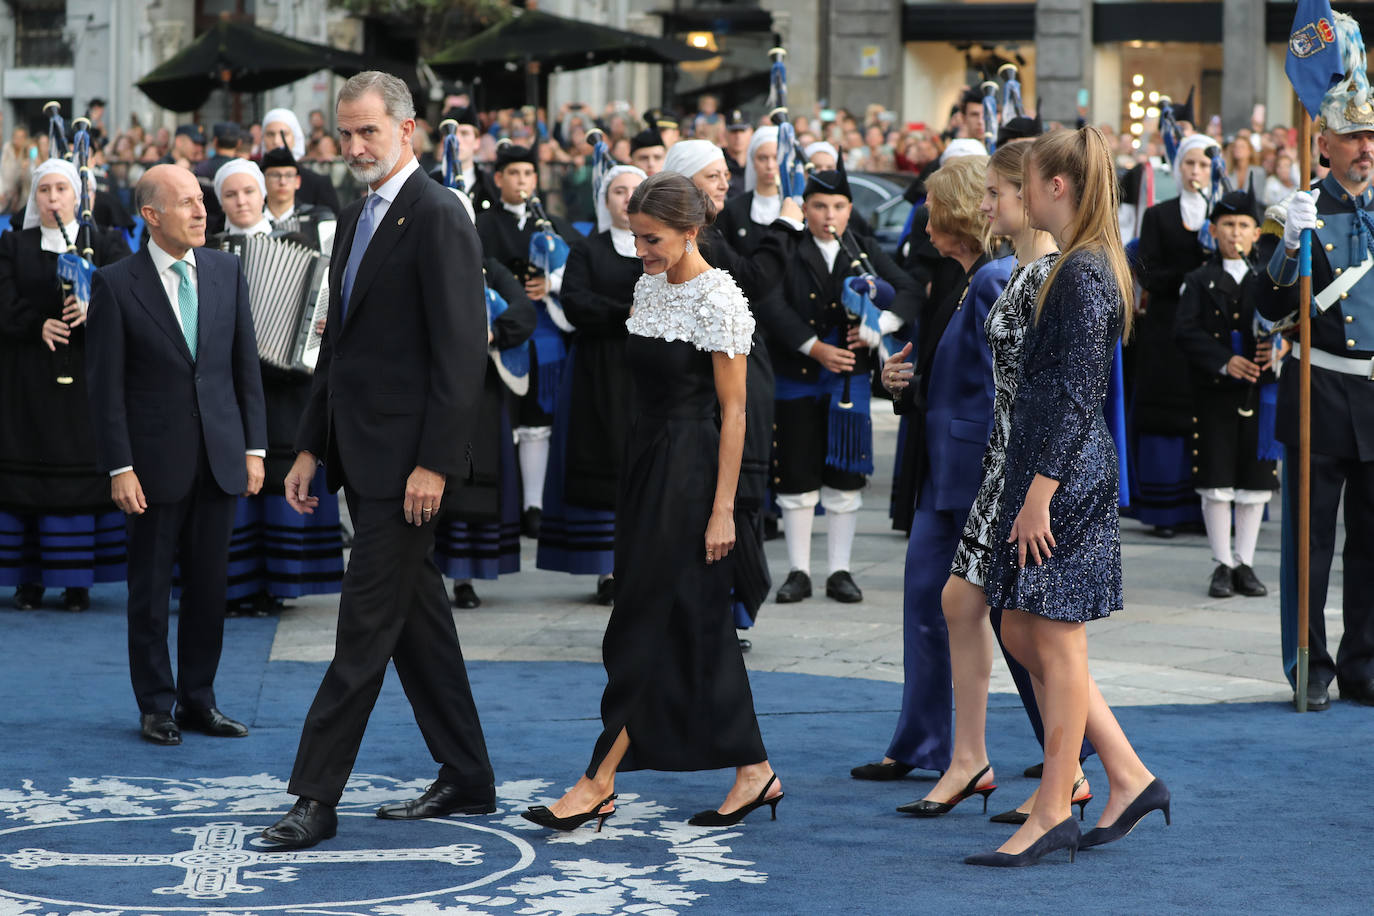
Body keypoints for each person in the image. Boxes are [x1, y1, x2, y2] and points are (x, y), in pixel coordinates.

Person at [261, 71, 494, 850]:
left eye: (369, 131)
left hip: (408, 471)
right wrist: (308, 446)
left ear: (409, 132)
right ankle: (467, 774)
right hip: (361, 456)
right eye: (347, 132)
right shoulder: (359, 214)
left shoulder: (437, 214)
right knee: (417, 623)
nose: (355, 145)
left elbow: (463, 354)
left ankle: (315, 798)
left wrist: (434, 463)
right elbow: (341, 345)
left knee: (362, 631)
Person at [523, 171, 782, 832]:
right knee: (693, 621)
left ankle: (597, 781)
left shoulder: (718, 297)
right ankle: (753, 770)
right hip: (644, 466)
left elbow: (736, 413)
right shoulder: (646, 287)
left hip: (693, 472)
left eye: (654, 238)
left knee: (641, 623)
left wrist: (724, 508)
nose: (642, 250)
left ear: (691, 231)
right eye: (637, 237)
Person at [876, 140, 1095, 823]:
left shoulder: (1019, 276)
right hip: (961, 462)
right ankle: (953, 751)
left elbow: (1050, 390)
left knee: (1023, 626)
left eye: (996, 196)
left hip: (992, 470)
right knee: (954, 606)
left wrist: (1033, 489)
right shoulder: (965, 277)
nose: (981, 208)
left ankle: (1086, 763)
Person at [968, 126, 1168, 867]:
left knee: (1051, 638)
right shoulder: (1079, 265)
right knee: (1022, 631)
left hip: (1063, 476)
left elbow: (1076, 390)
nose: (1015, 191)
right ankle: (1127, 774)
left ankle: (1056, 805)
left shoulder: (1083, 272)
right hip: (1050, 468)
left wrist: (1038, 495)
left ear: (1057, 187)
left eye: (1026, 178)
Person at [85, 164, 267, 745]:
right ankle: (156, 706)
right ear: (151, 215)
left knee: (211, 589)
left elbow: (246, 371)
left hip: (220, 458)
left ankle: (199, 701)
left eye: (202, 200)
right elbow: (104, 388)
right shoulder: (115, 284)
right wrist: (120, 467)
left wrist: (254, 450)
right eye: (186, 202)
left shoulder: (225, 270)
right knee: (150, 591)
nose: (201, 211)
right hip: (150, 467)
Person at [850, 155, 1012, 781]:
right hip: (941, 468)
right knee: (924, 602)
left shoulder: (997, 278)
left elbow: (1008, 388)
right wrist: (900, 383)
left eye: (930, 216)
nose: (920, 229)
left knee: (1011, 620)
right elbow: (945, 378)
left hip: (979, 473)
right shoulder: (955, 277)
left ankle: (1070, 747)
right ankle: (921, 744)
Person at [1255, 59, 1374, 710]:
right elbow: (1264, 314)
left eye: (1372, 136)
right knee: (1311, 545)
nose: (1366, 148)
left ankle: (1365, 664)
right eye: (1353, 137)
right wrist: (1285, 246)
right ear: (1323, 143)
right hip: (1319, 394)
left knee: (1372, 545)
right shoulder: (1293, 211)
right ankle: (1311, 665)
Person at [662, 139, 803, 646]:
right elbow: (755, 280)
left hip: (732, 376)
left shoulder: (708, 234)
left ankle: (725, 608)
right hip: (710, 388)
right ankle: (718, 609)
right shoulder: (699, 240)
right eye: (712, 175)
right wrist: (785, 225)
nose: (725, 183)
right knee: (725, 496)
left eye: (726, 174)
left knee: (737, 494)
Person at [764, 160, 918, 604]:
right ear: (803, 209)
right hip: (796, 376)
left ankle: (840, 571)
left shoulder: (862, 246)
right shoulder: (787, 248)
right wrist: (813, 346)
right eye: (818, 206)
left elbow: (908, 288)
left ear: (850, 209)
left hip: (846, 384)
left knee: (845, 478)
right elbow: (769, 301)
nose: (828, 215)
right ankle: (797, 571)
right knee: (796, 477)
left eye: (837, 206)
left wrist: (880, 323)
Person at [208, 158, 345, 618]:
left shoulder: (299, 245)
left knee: (280, 475)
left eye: (249, 192)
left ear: (264, 194)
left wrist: (319, 332)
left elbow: (324, 302)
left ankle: (278, 582)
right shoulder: (207, 252)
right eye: (231, 194)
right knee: (232, 479)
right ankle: (235, 583)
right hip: (228, 388)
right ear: (221, 201)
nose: (241, 201)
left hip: (286, 386)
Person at [0, 158, 131, 611]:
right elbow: (2, 300)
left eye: (61, 189)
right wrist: (36, 324)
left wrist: (96, 310)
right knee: (26, 482)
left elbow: (133, 299)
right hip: (28, 382)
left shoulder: (107, 244)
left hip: (85, 385)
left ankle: (79, 581)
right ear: (34, 198)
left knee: (80, 477)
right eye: (44, 190)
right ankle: (28, 581)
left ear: (78, 196)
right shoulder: (14, 245)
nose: (53, 198)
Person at [538, 165, 646, 604]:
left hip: (645, 369)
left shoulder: (658, 247)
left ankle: (641, 561)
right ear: (606, 200)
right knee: (604, 455)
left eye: (635, 191)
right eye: (618, 191)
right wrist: (630, 312)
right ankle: (607, 569)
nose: (626, 199)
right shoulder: (588, 249)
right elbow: (577, 301)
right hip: (598, 369)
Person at [1174, 186, 1278, 599]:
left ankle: (1246, 563)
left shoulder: (1270, 277)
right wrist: (1223, 359)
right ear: (1214, 230)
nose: (1236, 234)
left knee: (1255, 482)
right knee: (1216, 480)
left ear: (1257, 233)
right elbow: (1184, 331)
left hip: (1260, 392)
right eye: (1229, 225)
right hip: (1216, 392)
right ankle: (1223, 563)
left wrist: (1280, 350)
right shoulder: (1198, 280)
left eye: (1244, 226)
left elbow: (1287, 321)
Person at [475, 141, 577, 539]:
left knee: (537, 420)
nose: (522, 181)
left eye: (528, 174)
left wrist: (550, 284)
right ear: (498, 178)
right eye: (514, 174)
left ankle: (532, 505)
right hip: (496, 335)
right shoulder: (481, 226)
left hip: (545, 338)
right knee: (504, 420)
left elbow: (576, 270)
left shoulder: (551, 225)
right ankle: (506, 500)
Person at [1131, 134, 1213, 536]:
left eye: (1203, 165)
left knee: (1208, 415)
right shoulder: (1159, 215)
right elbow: (1145, 269)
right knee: (1165, 417)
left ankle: (1205, 510)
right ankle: (1164, 510)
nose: (1195, 171)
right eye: (1189, 164)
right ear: (1178, 168)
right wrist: (1186, 281)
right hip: (1165, 328)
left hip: (1209, 329)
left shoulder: (1221, 214)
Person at [715, 126, 783, 256]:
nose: (770, 166)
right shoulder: (732, 209)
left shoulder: (796, 207)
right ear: (753, 161)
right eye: (763, 158)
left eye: (776, 158)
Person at [262, 107, 341, 214]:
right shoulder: (250, 177)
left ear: (295, 137)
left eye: (284, 134)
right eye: (270, 134)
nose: (276, 141)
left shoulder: (317, 183)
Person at [260, 147, 336, 245]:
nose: (282, 182)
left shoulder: (317, 218)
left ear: (298, 181)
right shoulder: (253, 218)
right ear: (263, 179)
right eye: (275, 175)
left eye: (288, 175)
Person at [723, 109, 752, 199]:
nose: (738, 136)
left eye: (742, 131)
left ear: (751, 132)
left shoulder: (758, 161)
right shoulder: (718, 161)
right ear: (725, 133)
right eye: (733, 131)